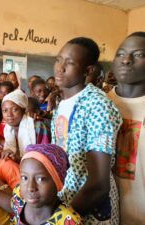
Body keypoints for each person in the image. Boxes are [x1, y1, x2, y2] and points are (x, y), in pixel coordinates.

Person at [51, 37, 122, 224]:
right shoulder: (62, 104)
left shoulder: (97, 105)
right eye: (58, 60)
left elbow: (98, 184)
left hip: (87, 208)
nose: (60, 67)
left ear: (88, 70)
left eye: (70, 62)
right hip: (65, 199)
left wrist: (63, 218)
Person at [0, 144, 82, 225]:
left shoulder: (68, 221)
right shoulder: (21, 196)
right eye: (24, 177)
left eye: (41, 179)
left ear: (58, 182)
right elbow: (13, 204)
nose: (31, 187)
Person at [107, 32, 145, 225]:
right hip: (103, 217)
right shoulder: (100, 103)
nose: (127, 60)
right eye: (121, 53)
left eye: (139, 55)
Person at [1, 89, 50, 162]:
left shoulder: (37, 127)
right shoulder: (7, 129)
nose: (9, 114)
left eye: (14, 110)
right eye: (5, 110)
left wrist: (20, 159)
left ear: (23, 110)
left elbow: (45, 157)